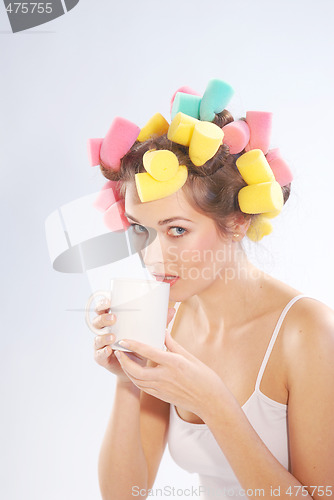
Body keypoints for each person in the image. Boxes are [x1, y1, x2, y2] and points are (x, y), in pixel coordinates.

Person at [89, 80, 334, 500]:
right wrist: (129, 377)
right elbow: (124, 494)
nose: (153, 258)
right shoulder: (171, 320)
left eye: (178, 230)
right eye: (142, 231)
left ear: (238, 221)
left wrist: (214, 404)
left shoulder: (307, 331)